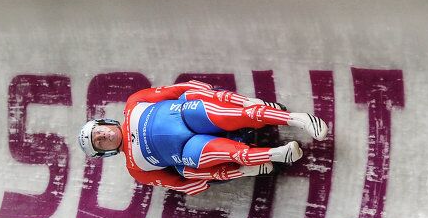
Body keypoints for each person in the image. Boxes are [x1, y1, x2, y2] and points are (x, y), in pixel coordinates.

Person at [78, 80, 328, 195]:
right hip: (190, 148)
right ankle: (270, 156)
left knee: (203, 105)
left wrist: (204, 91)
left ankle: (297, 119)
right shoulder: (136, 169)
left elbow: (176, 91)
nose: (102, 136)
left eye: (97, 130)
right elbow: (178, 184)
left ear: (105, 123)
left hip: (189, 115)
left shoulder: (134, 102)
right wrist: (207, 178)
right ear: (105, 152)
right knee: (190, 167)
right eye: (98, 142)